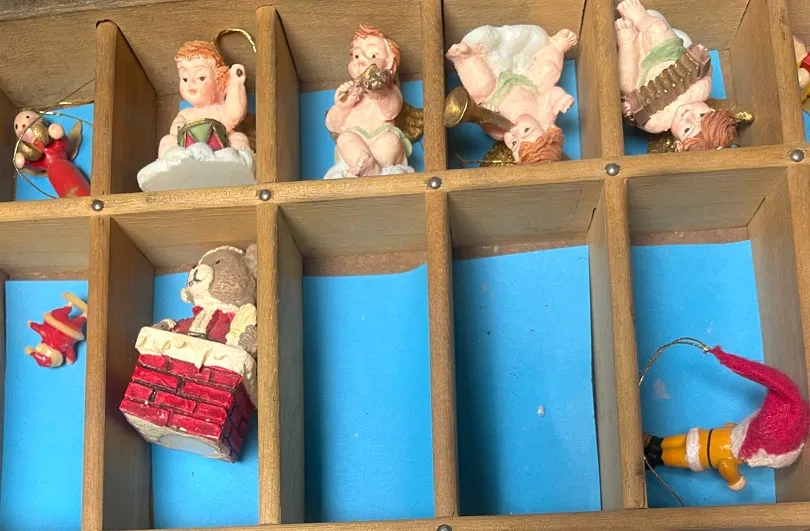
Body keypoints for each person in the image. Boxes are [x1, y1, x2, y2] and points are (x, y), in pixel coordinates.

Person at [616, 0, 737, 151]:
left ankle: (627, 42)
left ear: (679, 145)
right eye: (701, 116)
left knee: (625, 83)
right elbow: (707, 70)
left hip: (641, 74)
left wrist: (629, 109)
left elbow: (635, 116)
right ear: (711, 110)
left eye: (687, 129)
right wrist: (701, 61)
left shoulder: (657, 123)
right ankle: (639, 17)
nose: (689, 116)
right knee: (657, 28)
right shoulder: (701, 91)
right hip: (666, 56)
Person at [447, 25, 576, 163]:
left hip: (495, 91)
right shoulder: (544, 118)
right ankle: (555, 47)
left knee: (480, 87)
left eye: (514, 143)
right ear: (545, 129)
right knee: (548, 72)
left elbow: (485, 122)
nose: (515, 132)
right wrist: (560, 100)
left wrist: (487, 111)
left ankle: (466, 59)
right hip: (527, 83)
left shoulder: (500, 133)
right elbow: (550, 96)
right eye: (526, 130)